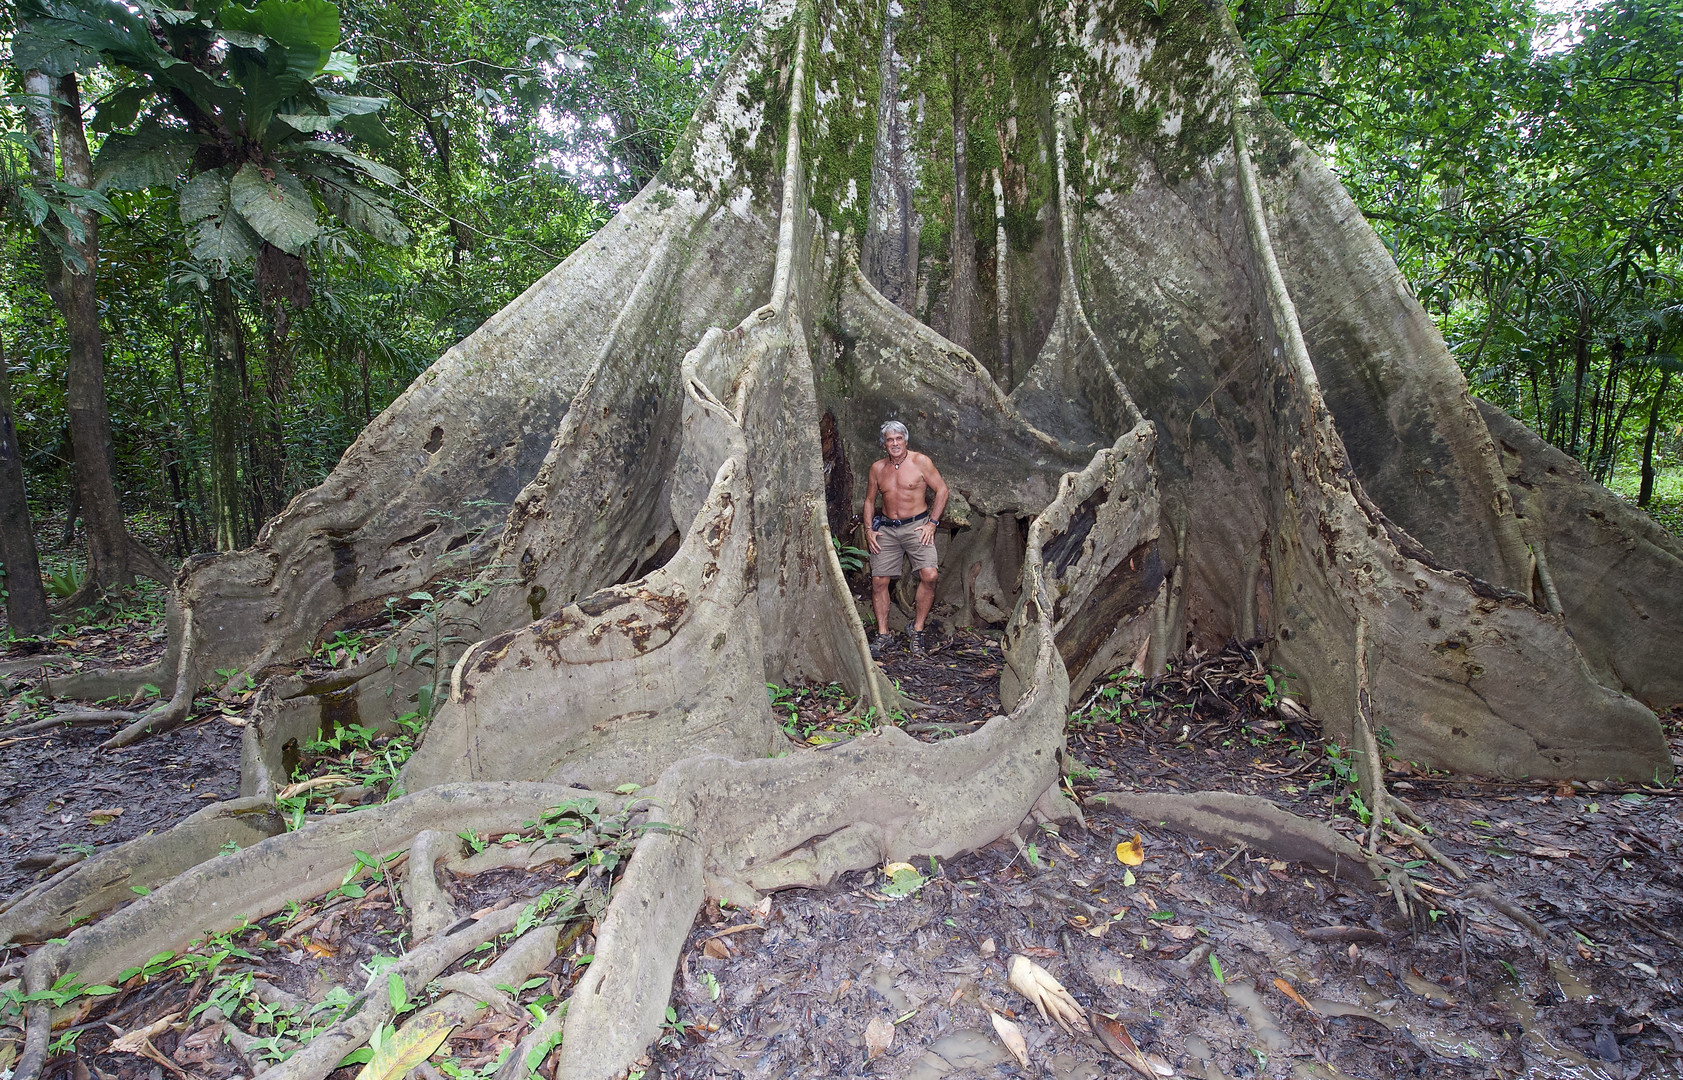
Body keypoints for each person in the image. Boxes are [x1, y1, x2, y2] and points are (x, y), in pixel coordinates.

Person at [861, 420, 948, 655]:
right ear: (884, 444)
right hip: (887, 529)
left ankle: (917, 629)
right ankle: (883, 634)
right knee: (879, 581)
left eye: (898, 439)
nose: (895, 443)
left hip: (917, 526)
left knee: (929, 575)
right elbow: (869, 501)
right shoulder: (877, 468)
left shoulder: (920, 462)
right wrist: (869, 530)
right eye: (890, 440)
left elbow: (942, 489)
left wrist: (932, 523)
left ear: (905, 440)